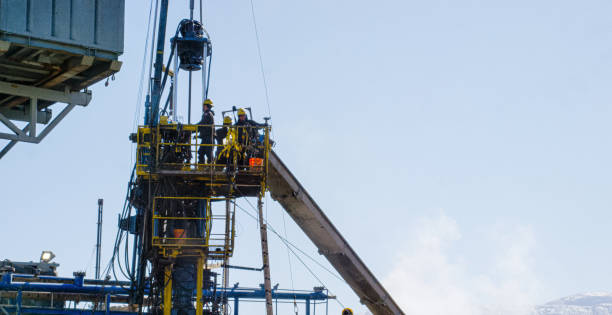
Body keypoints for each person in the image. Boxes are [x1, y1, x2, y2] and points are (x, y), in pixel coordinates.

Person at [197, 99, 215, 164]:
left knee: (208, 153)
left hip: (208, 138)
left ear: (206, 106)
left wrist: (192, 128)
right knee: (201, 152)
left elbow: (201, 124)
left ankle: (210, 167)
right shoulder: (208, 114)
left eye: (203, 106)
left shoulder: (207, 114)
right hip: (206, 138)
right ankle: (202, 166)